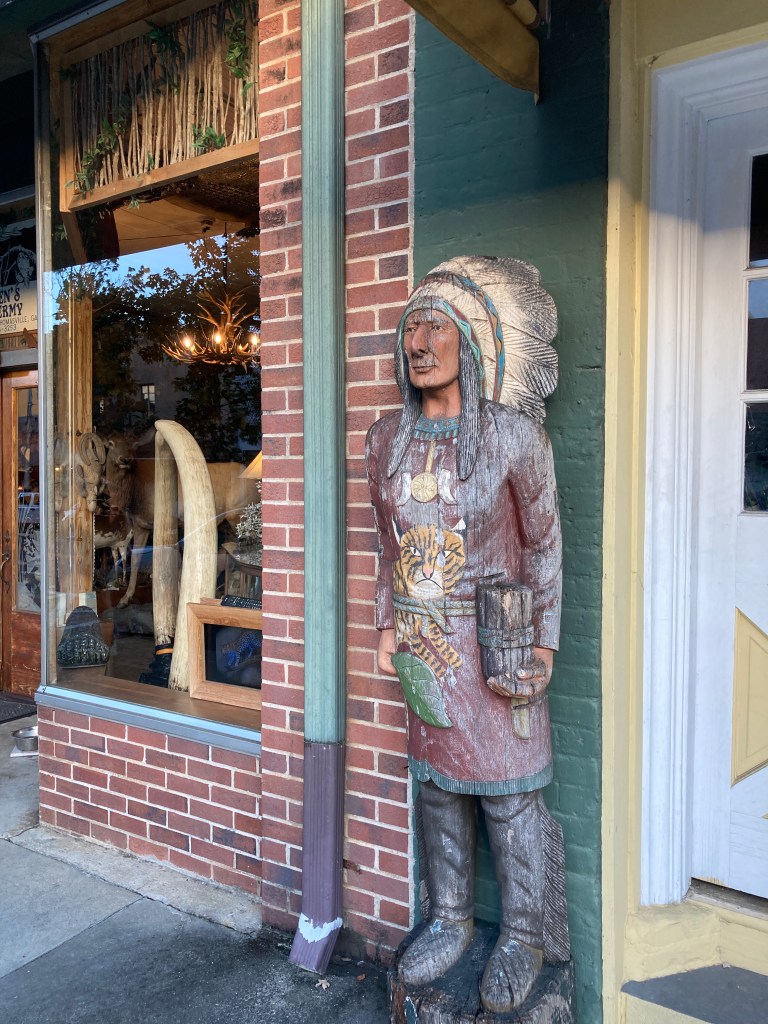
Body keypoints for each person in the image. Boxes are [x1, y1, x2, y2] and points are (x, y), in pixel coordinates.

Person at [366, 256, 566, 1014]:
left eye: (435, 327)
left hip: (497, 640)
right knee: (439, 787)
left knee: (510, 796)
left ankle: (525, 935)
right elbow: (385, 546)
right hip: (424, 644)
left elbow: (543, 545)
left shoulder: (515, 439)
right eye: (410, 328)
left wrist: (542, 642)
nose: (418, 342)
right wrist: (387, 622)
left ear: (472, 344)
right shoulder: (385, 441)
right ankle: (450, 917)